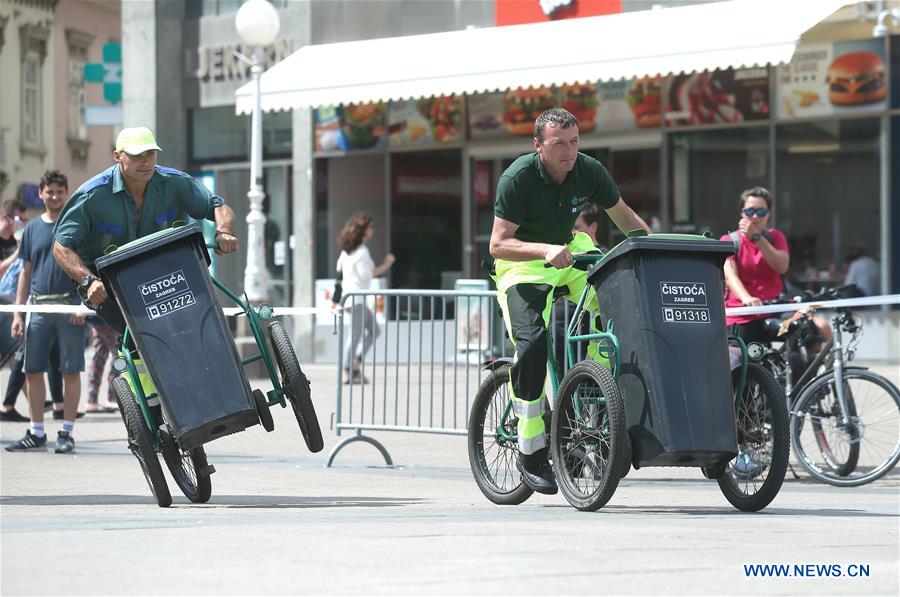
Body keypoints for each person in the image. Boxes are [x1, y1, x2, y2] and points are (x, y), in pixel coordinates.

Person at [489, 107, 649, 494]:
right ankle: (531, 450)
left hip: (569, 252)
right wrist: (543, 250)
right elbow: (498, 243)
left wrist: (653, 246)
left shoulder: (588, 170)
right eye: (559, 143)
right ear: (538, 145)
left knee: (619, 309)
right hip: (523, 263)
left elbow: (625, 218)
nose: (569, 151)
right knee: (532, 346)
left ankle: (594, 395)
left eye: (574, 141)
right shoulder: (518, 177)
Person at [52, 127, 238, 338]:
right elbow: (61, 247)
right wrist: (89, 282)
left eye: (150, 154)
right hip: (110, 284)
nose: (146, 161)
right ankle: (136, 366)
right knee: (142, 338)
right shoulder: (92, 195)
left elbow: (219, 207)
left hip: (165, 274)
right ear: (117, 157)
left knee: (199, 327)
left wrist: (223, 232)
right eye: (137, 156)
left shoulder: (175, 183)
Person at [6, 171, 86, 453]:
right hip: (38, 307)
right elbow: (24, 275)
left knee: (70, 370)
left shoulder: (76, 225)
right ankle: (36, 430)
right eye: (49, 191)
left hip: (69, 308)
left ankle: (67, 432)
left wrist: (83, 305)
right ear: (41, 193)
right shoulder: (31, 230)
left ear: (67, 194)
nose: (54, 196)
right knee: (32, 369)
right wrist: (18, 313)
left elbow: (87, 269)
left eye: (59, 192)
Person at [721, 186, 831, 346]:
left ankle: (813, 370)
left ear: (768, 214)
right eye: (750, 211)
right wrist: (748, 298)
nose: (755, 217)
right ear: (742, 213)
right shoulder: (729, 240)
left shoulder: (775, 237)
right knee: (739, 359)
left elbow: (781, 266)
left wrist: (758, 237)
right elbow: (730, 276)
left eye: (761, 212)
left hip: (775, 309)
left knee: (819, 328)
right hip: (743, 314)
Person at [335, 212, 395, 384]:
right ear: (364, 230)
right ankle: (348, 370)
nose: (373, 229)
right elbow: (367, 276)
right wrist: (387, 264)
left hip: (351, 298)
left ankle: (355, 363)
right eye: (371, 226)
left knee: (374, 331)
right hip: (357, 299)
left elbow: (339, 271)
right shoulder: (361, 252)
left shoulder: (347, 251)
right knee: (354, 335)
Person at [84, 317, 119, 413]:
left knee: (98, 359)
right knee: (118, 358)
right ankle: (112, 398)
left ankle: (92, 401)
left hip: (97, 319)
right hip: (109, 319)